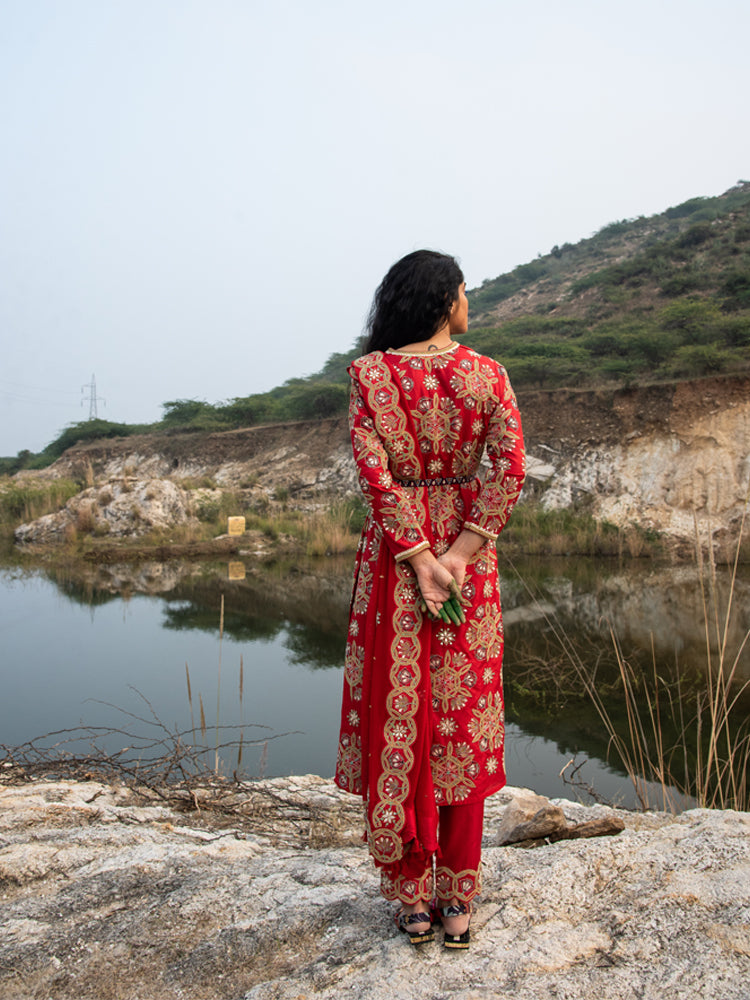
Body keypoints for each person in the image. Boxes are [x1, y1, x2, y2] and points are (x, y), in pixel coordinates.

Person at [334, 249, 526, 949]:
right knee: (462, 718)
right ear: (447, 300)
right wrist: (457, 555)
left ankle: (411, 896)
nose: (468, 303)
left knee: (401, 715)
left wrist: (415, 556)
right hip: (467, 566)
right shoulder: (488, 374)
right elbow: (508, 467)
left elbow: (374, 472)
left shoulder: (370, 375)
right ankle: (457, 901)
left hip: (394, 562)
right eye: (465, 292)